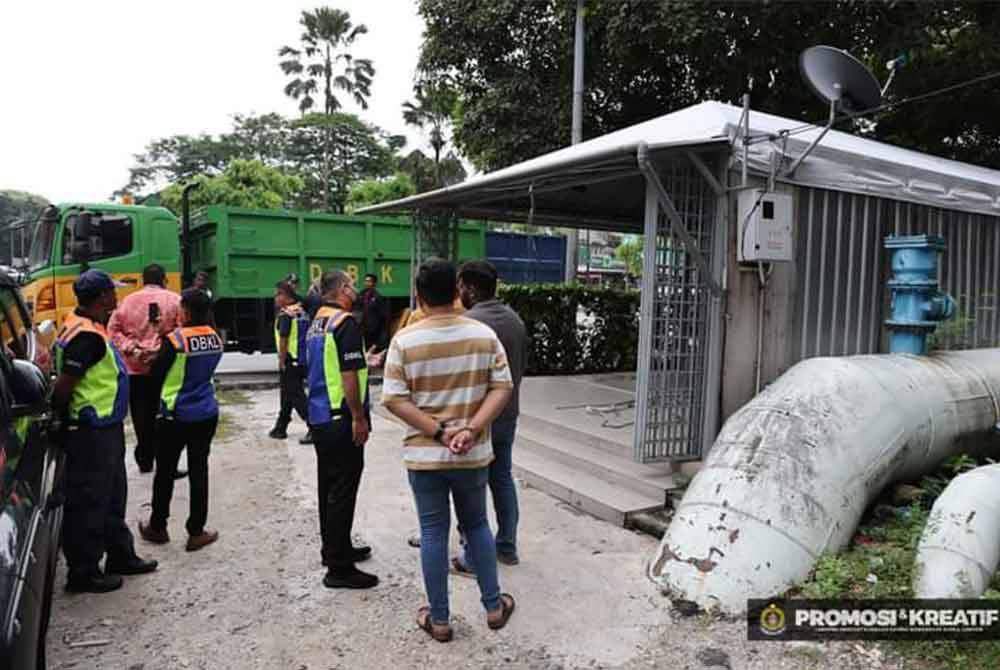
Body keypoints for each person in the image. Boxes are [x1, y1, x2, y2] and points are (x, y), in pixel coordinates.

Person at [383, 258, 516, 642]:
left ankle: (439, 620)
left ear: (419, 295)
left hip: (425, 457)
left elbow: (393, 398)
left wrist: (439, 433)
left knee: (433, 532)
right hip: (471, 455)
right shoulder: (483, 335)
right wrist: (471, 429)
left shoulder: (404, 340)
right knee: (477, 526)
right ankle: (494, 607)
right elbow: (503, 386)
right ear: (457, 291)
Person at [54, 269, 158, 593]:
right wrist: (60, 420)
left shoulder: (87, 325)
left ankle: (120, 555)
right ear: (102, 297)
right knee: (90, 500)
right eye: (112, 291)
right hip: (90, 432)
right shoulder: (86, 337)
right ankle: (83, 572)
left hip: (105, 428)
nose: (116, 296)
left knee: (113, 495)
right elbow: (64, 386)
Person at [451, 260, 528, 572]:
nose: (458, 292)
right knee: (502, 478)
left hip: (476, 420)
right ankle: (507, 547)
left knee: (471, 486)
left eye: (460, 286)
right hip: (507, 414)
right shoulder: (515, 321)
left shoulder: (468, 324)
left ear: (470, 288)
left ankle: (471, 555)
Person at [305, 270, 377, 589]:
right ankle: (339, 568)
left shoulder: (318, 322)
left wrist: (365, 360)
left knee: (329, 487)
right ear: (343, 290)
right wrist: (359, 418)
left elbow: (332, 365)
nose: (356, 290)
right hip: (341, 418)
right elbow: (348, 375)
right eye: (352, 285)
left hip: (320, 415)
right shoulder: (344, 323)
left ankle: (335, 548)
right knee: (343, 491)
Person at [139, 288, 223, 552]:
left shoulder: (175, 340)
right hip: (206, 412)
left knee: (165, 471)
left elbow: (157, 375)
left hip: (175, 414)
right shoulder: (215, 337)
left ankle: (158, 526)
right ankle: (196, 531)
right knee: (199, 471)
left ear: (185, 310)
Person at [108, 263, 181, 474]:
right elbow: (181, 330)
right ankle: (165, 462)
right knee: (164, 414)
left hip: (135, 368)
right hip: (164, 368)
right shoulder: (175, 300)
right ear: (165, 279)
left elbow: (113, 331)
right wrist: (160, 351)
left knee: (141, 415)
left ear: (142, 280)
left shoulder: (127, 301)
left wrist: (133, 349)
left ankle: (145, 460)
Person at [269, 279, 312, 443]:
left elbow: (284, 338)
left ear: (284, 296)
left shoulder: (286, 314)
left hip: (290, 359)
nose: (275, 299)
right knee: (287, 394)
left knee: (296, 396)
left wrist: (281, 360)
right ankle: (280, 427)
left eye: (277, 295)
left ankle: (314, 427)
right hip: (302, 359)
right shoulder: (301, 311)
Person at [359, 273, 388, 352]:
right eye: (366, 281)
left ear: (374, 283)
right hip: (363, 329)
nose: (367, 283)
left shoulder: (378, 297)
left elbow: (383, 316)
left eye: (369, 281)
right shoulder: (361, 295)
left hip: (374, 330)